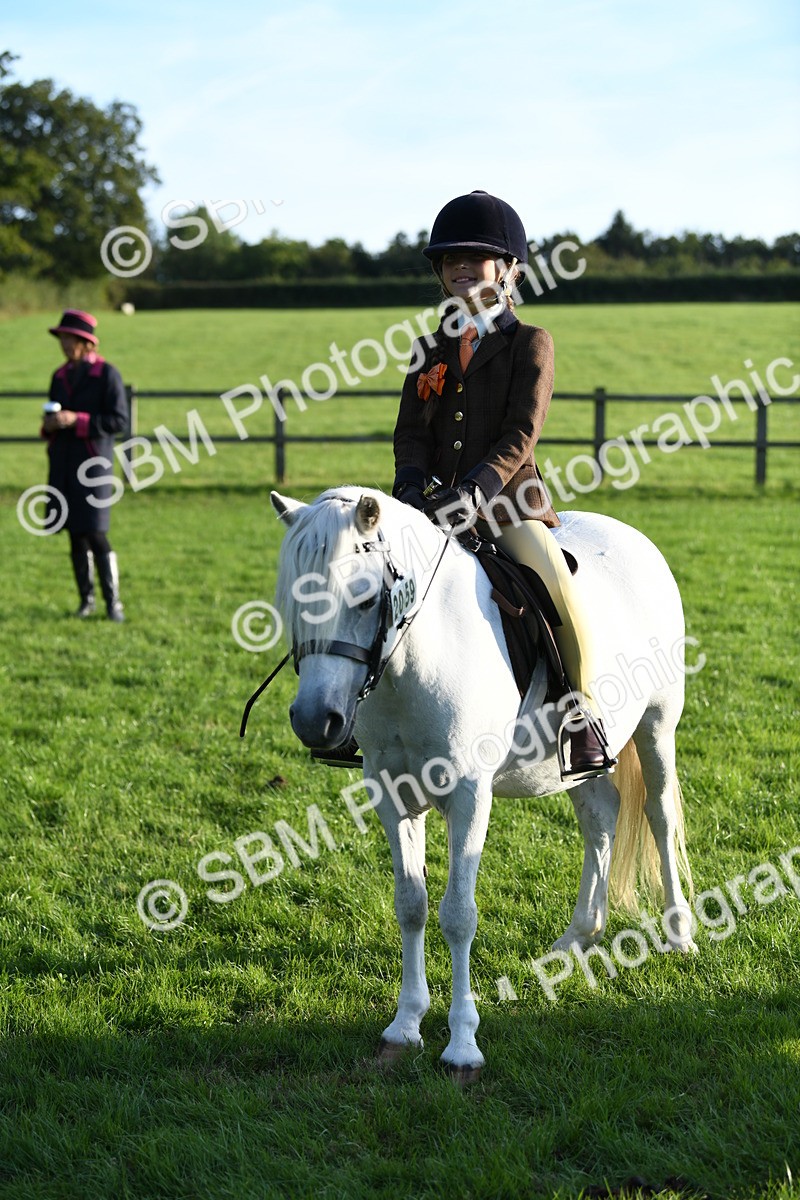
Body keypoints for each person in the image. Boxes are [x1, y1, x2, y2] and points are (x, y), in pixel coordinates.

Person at [392, 190, 615, 780]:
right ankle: (370, 719)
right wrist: (411, 485)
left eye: (476, 257)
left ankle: (580, 712)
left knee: (551, 579)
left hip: (510, 505)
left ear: (510, 269)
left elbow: (522, 432)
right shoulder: (427, 350)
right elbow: (410, 433)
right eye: (450, 260)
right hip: (434, 506)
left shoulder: (529, 343)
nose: (460, 267)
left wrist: (475, 490)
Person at [42, 309, 128, 621]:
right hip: (63, 465)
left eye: (70, 339)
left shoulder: (107, 374)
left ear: (86, 342)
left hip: (93, 468)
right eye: (62, 338)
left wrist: (76, 420)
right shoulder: (59, 376)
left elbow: (118, 420)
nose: (65, 344)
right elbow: (49, 418)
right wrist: (50, 425)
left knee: (95, 531)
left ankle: (113, 603)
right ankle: (86, 601)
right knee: (74, 533)